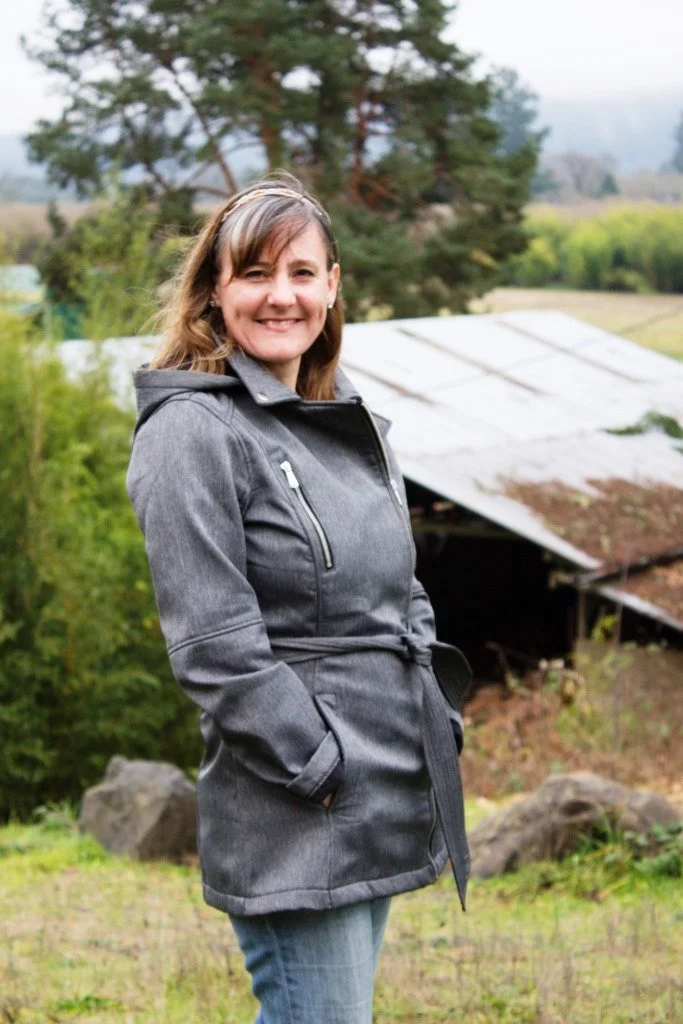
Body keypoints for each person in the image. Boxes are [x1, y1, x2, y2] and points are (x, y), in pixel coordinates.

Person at [126, 171, 472, 1024]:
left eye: (302, 274)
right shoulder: (191, 433)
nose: (281, 297)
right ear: (214, 291)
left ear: (332, 287)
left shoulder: (344, 415)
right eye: (254, 275)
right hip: (299, 802)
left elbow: (402, 582)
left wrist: (430, 702)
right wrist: (320, 765)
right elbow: (213, 642)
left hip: (381, 777)